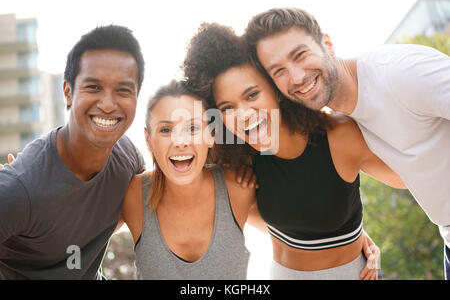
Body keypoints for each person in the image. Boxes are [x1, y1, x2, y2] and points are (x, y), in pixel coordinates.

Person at [182, 23, 406, 280]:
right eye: (227, 107)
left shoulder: (338, 136)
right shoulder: (242, 161)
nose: (243, 114)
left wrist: (355, 236)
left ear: (276, 91)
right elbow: (276, 218)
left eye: (252, 95)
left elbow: (408, 180)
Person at [244, 7, 450, 279]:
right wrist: (352, 234)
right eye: (279, 70)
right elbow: (404, 179)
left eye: (300, 55)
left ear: (326, 43)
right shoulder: (343, 126)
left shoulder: (401, 72)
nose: (296, 77)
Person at [0, 25, 146, 279]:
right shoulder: (20, 189)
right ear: (68, 92)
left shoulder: (128, 158)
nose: (108, 104)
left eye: (123, 90)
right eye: (94, 87)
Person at [118, 80, 257, 279]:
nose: (180, 142)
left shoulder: (239, 187)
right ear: (148, 140)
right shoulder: (132, 196)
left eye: (192, 128)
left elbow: (294, 234)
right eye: (166, 130)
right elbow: (82, 244)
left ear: (211, 135)